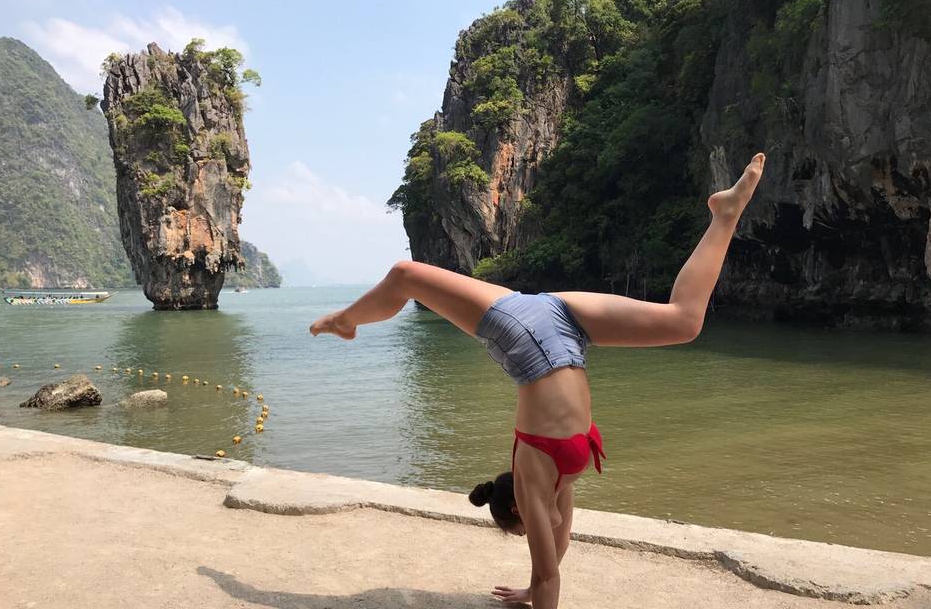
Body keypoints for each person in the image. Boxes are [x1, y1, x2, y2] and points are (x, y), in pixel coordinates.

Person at [311, 153, 767, 608]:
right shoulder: (557, 482)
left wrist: (537, 586)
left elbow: (549, 574)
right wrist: (531, 589)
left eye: (526, 528)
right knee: (683, 322)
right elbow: (557, 548)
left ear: (517, 510)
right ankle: (724, 215)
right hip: (564, 323)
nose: (537, 530)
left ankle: (346, 319)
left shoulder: (539, 480)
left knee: (405, 274)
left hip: (524, 333)